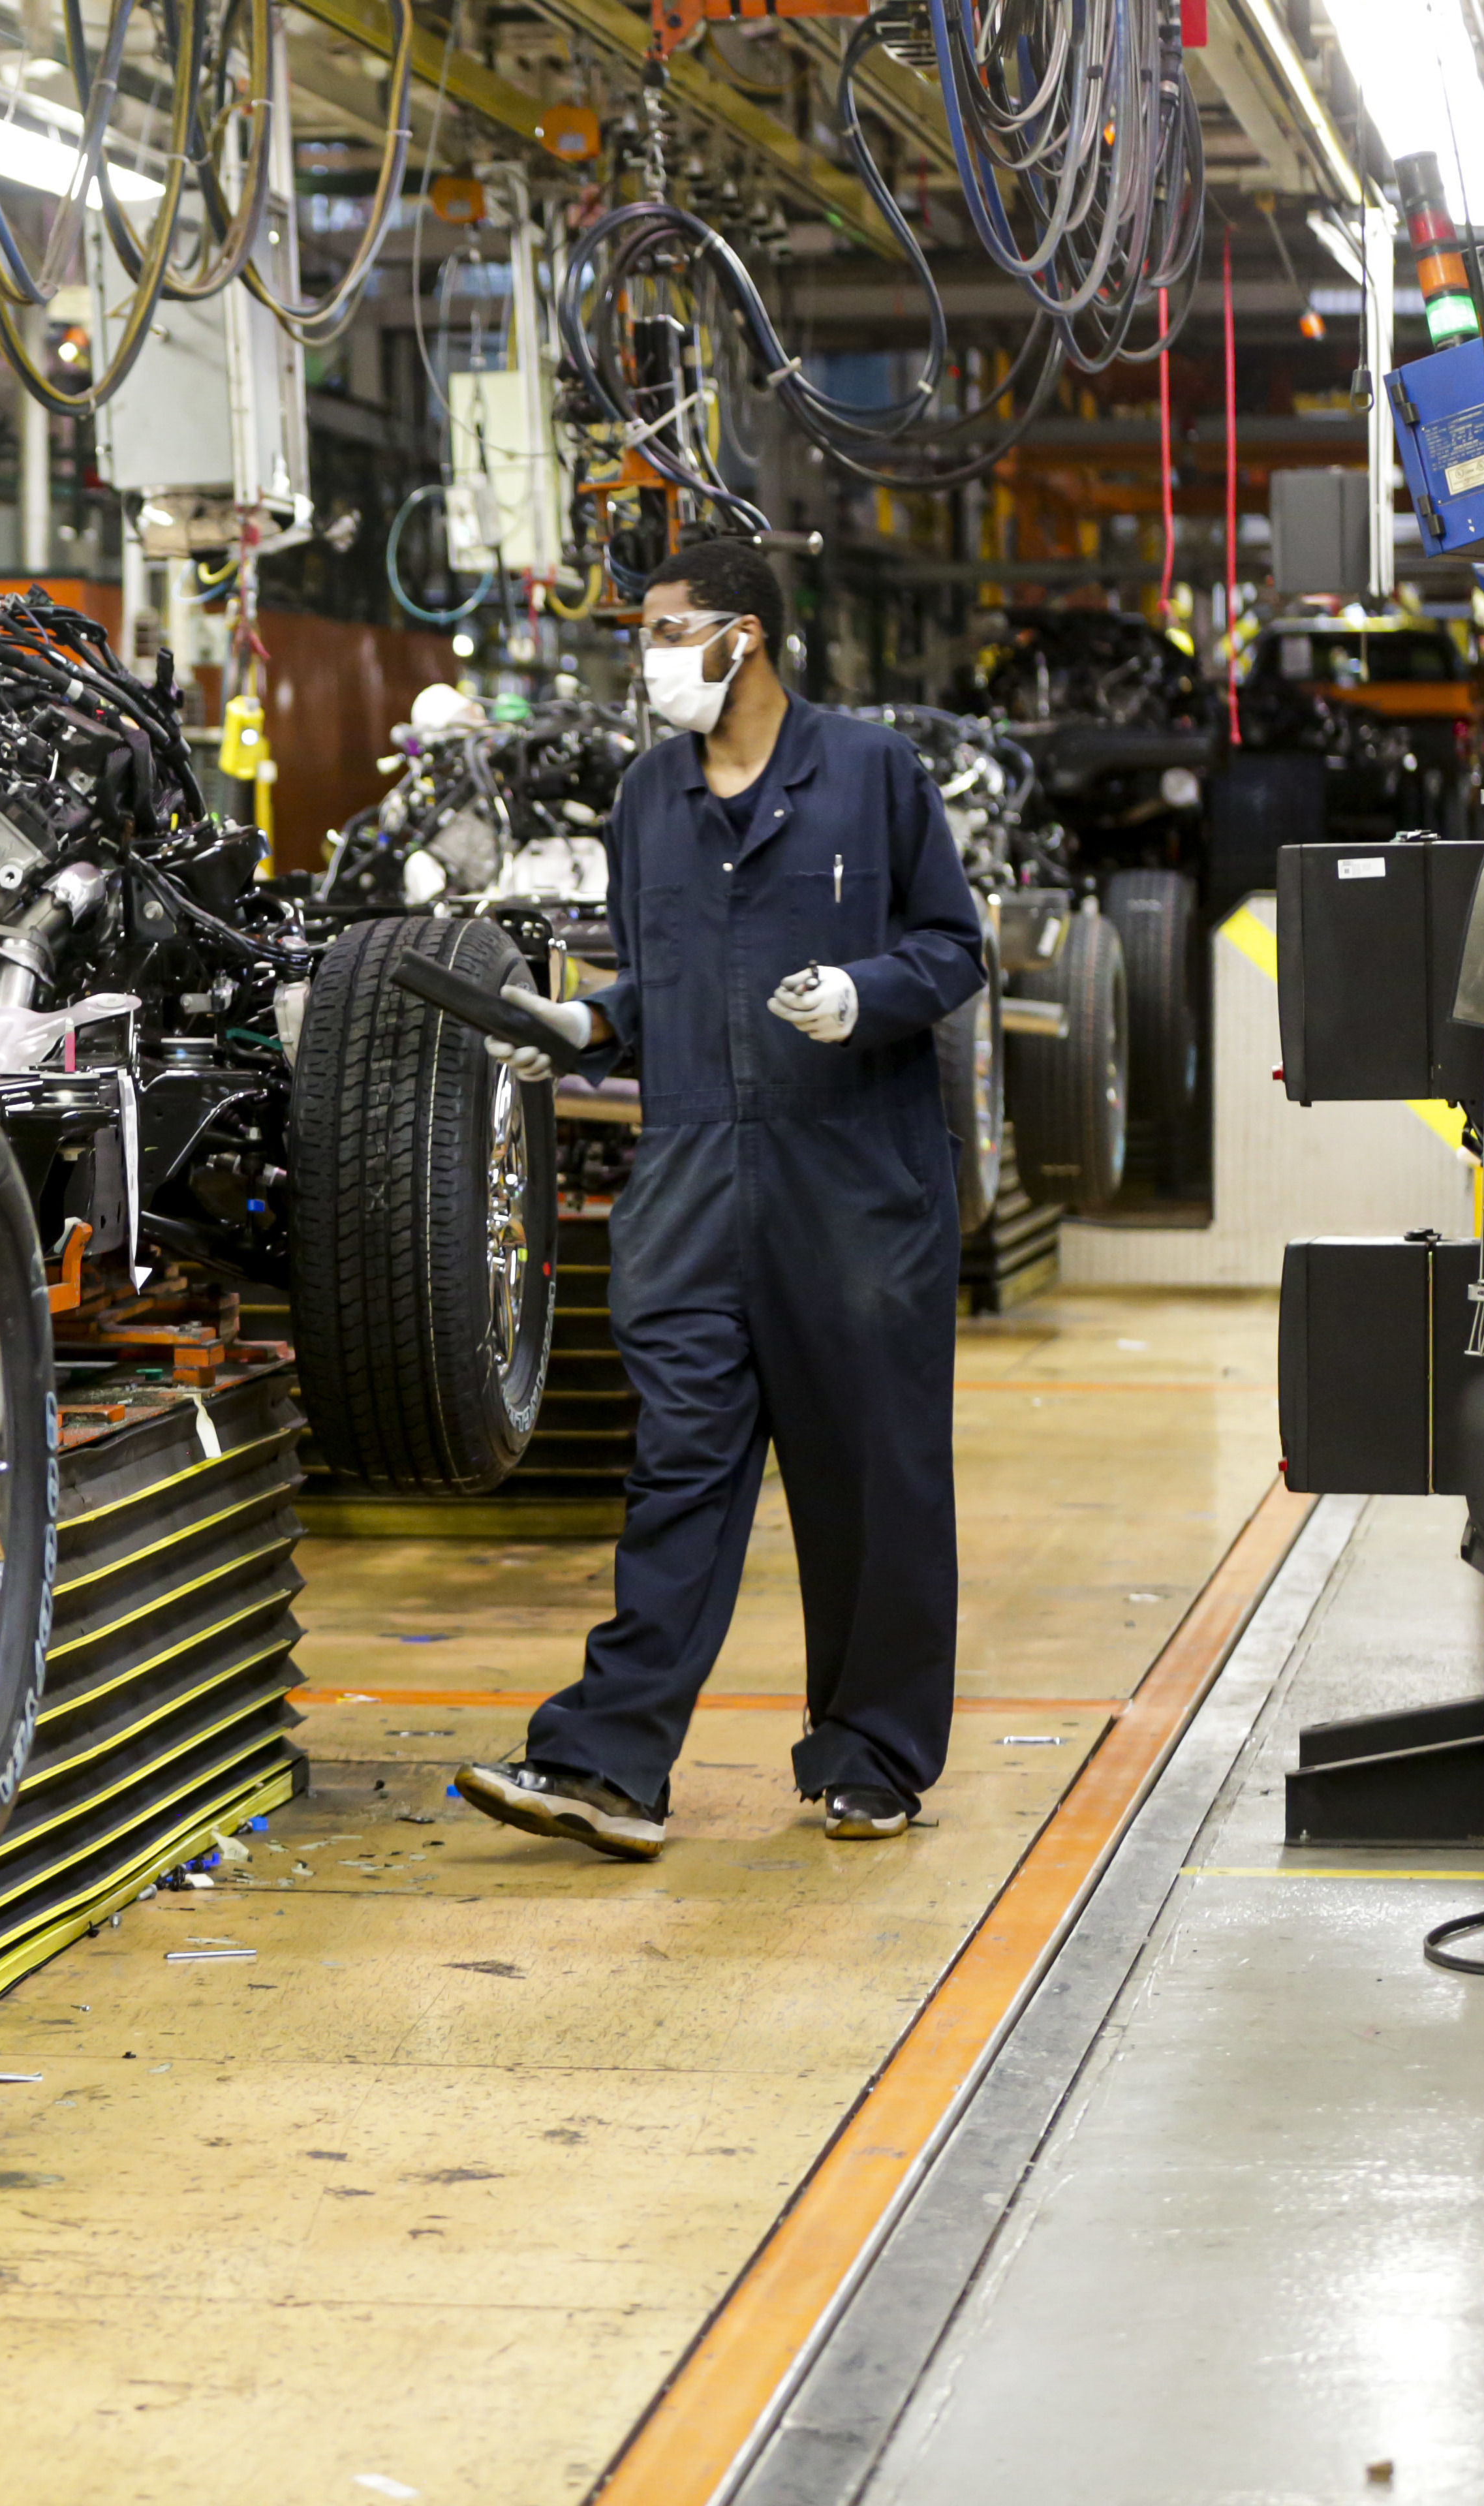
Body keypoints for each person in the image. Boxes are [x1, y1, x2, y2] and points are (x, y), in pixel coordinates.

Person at [454, 542, 984, 1863]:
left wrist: (868, 994)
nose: (649, 657)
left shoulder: (869, 774)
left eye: (666, 629)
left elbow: (953, 946)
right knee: (678, 1476)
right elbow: (661, 983)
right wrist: (583, 1022)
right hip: (692, 1189)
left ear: (741, 638)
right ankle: (603, 1763)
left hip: (849, 1190)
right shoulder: (647, 796)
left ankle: (870, 1754)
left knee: (869, 1484)